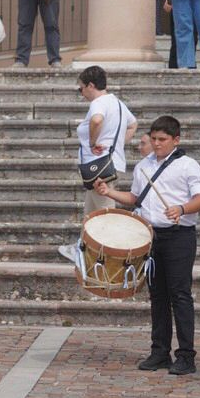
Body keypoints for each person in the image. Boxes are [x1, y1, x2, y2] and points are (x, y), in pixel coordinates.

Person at [94, 116, 200, 376]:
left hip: (180, 236)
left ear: (176, 140)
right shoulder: (144, 165)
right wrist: (109, 193)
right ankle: (159, 352)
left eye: (162, 140)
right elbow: (135, 198)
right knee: (157, 296)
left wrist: (182, 208)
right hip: (151, 236)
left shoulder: (189, 166)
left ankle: (186, 355)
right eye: (153, 139)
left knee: (180, 295)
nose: (156, 144)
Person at [58, 65, 137, 263]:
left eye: (81, 88)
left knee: (104, 213)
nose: (81, 93)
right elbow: (133, 124)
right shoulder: (118, 103)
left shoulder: (98, 103)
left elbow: (96, 120)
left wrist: (93, 143)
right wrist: (118, 144)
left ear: (91, 85)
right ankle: (83, 249)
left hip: (98, 166)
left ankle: (111, 257)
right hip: (110, 163)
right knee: (91, 211)